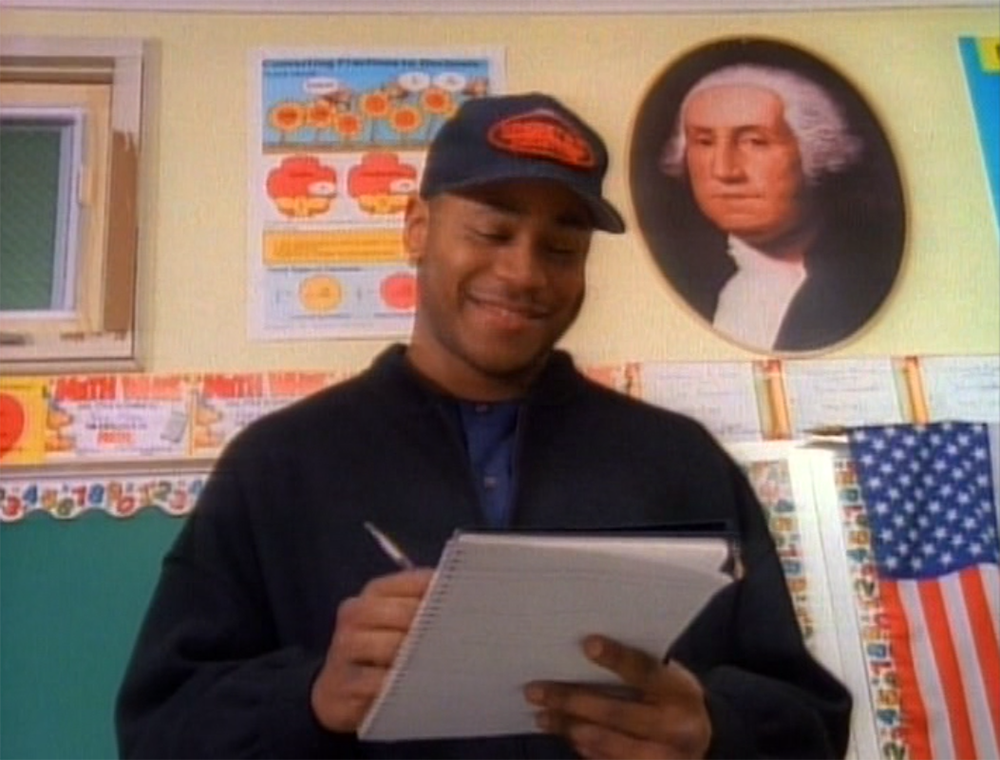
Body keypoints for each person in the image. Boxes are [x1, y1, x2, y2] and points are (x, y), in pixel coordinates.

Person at [116, 92, 851, 759]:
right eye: (493, 231)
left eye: (561, 249)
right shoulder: (278, 465)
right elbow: (158, 731)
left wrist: (716, 731)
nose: (525, 273)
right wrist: (308, 699)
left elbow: (813, 724)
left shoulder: (679, 461)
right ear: (416, 228)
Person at [655, 63, 901, 352]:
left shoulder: (866, 281)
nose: (724, 170)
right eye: (705, 142)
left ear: (818, 152)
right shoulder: (690, 282)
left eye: (755, 142)